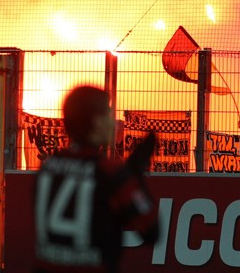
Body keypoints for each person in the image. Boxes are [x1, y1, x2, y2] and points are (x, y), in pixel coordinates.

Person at [34, 86, 158, 273]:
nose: (113, 123)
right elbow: (151, 231)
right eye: (108, 114)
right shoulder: (109, 172)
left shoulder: (47, 168)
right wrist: (134, 173)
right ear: (97, 121)